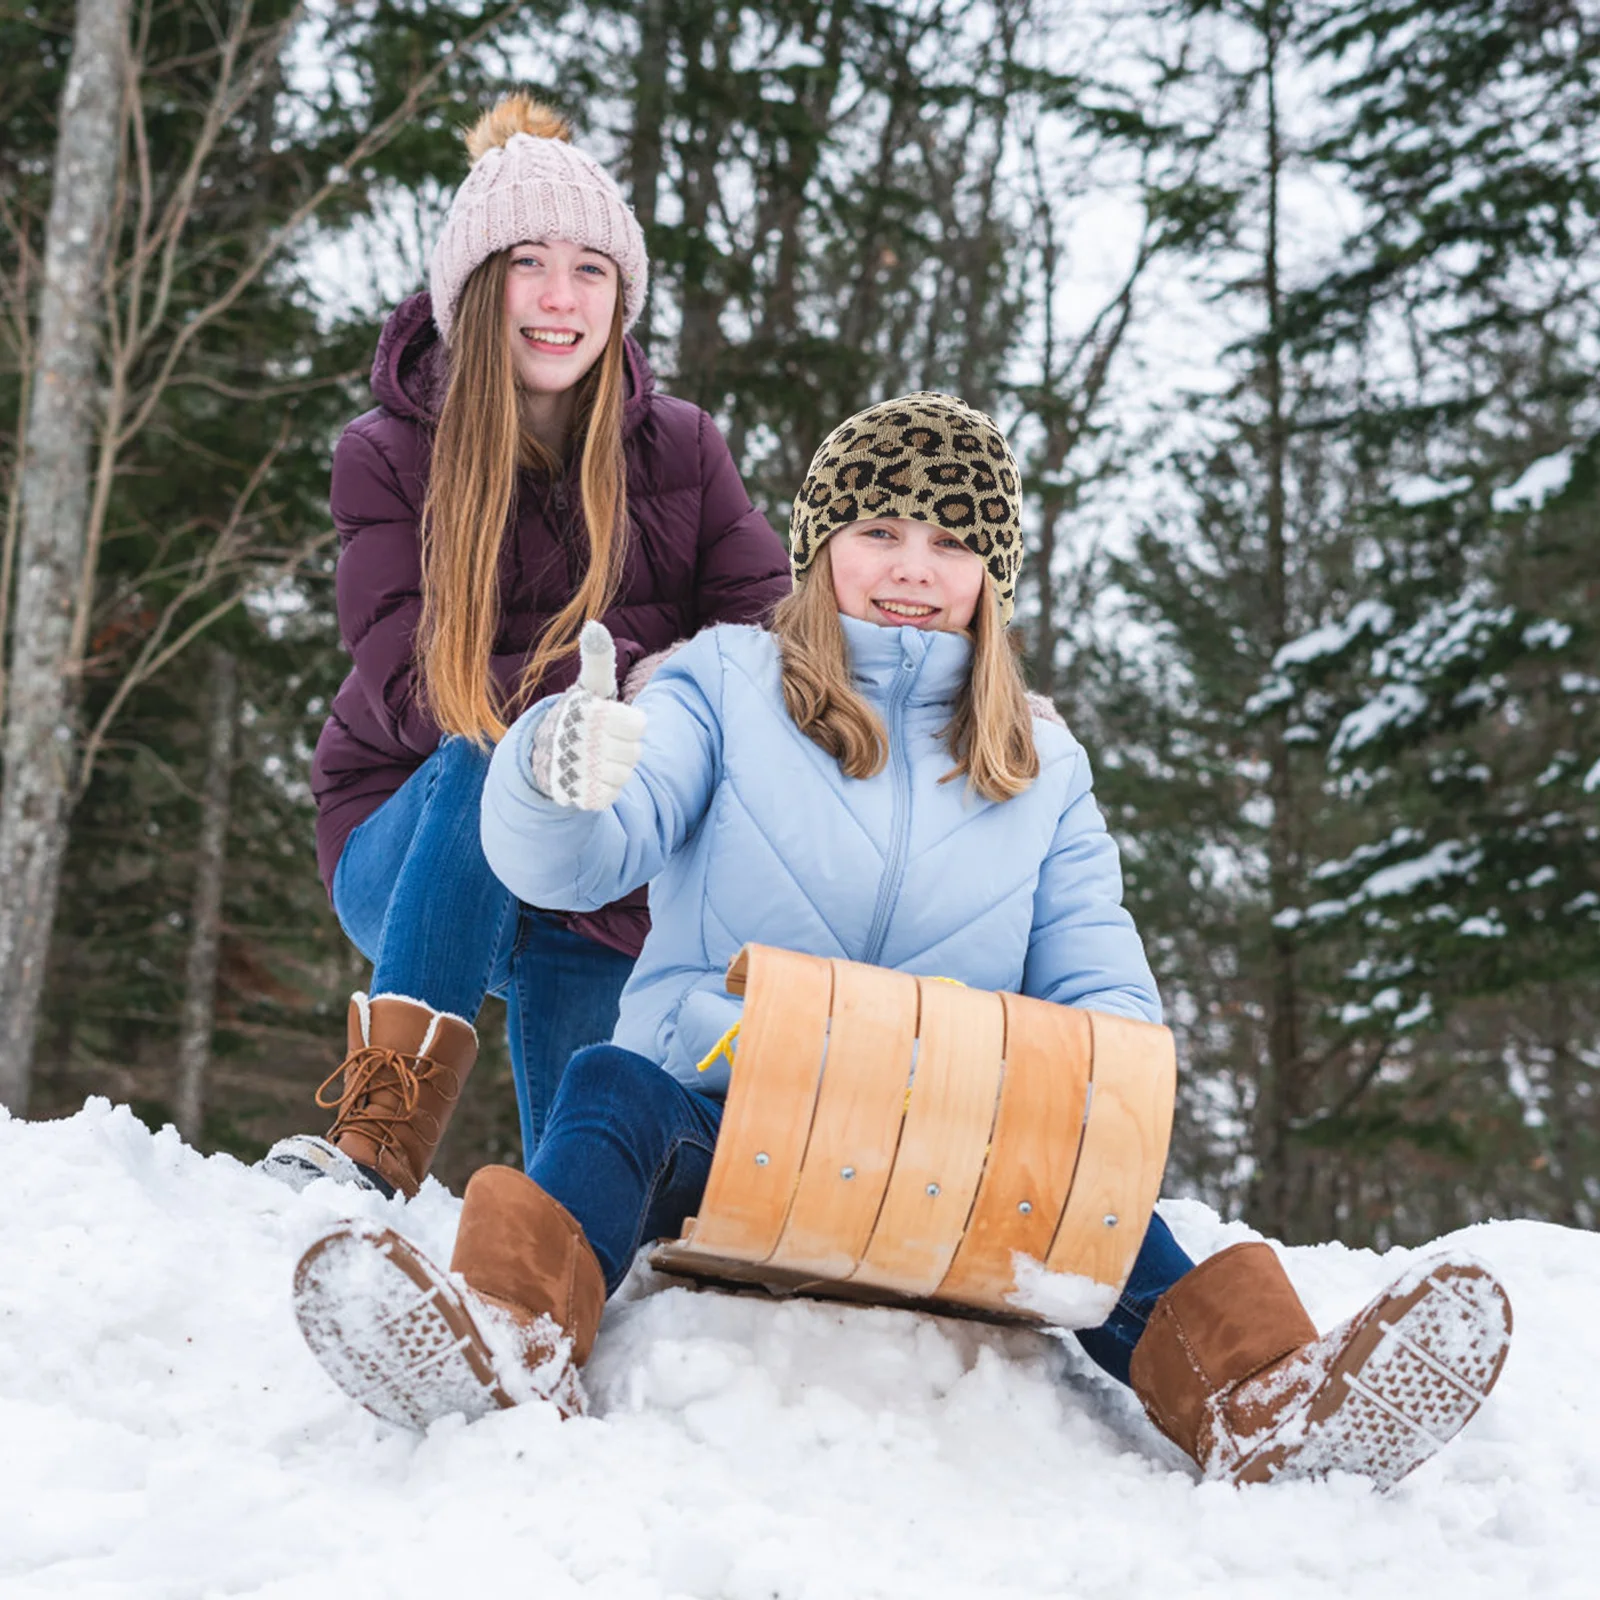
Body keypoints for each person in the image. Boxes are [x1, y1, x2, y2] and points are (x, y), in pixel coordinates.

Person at [290, 394, 1512, 1489]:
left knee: (1108, 1203)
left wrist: (1091, 1120)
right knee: (610, 1089)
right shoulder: (720, 684)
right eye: (880, 532)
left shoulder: (1041, 766)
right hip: (736, 1131)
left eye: (951, 541)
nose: (912, 569)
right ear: (823, 551)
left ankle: (1265, 1401)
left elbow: (1100, 987)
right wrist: (560, 777)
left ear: (993, 573)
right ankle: (509, 1334)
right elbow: (584, 856)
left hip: (947, 1160)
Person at [261, 94, 790, 1198]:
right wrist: (592, 703)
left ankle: (567, 1241)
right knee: (488, 749)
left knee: (583, 1189)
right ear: (471, 285)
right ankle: (378, 1141)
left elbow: (766, 642)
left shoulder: (684, 447)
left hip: (600, 870)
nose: (560, 299)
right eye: (528, 265)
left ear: (622, 296)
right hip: (407, 837)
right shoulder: (388, 453)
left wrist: (670, 690)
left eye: (592, 269)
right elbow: (410, 682)